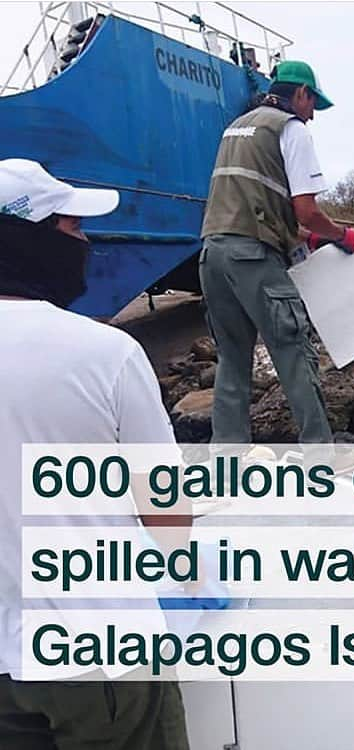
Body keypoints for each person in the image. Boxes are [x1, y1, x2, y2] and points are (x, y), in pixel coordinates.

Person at [0, 159, 191, 750]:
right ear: (30, 239)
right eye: (73, 228)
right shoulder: (106, 354)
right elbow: (166, 516)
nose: (86, 242)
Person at [200, 60, 354, 446]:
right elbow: (306, 208)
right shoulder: (290, 128)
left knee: (233, 362)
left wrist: (301, 236)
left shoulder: (237, 128)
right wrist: (341, 235)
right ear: (301, 94)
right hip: (253, 258)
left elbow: (256, 200)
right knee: (294, 354)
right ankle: (320, 462)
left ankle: (226, 467)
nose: (312, 116)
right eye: (312, 105)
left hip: (211, 255)